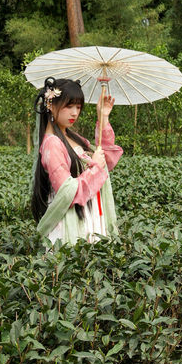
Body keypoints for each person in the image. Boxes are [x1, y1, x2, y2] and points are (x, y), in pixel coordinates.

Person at [31, 77, 123, 246]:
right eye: (69, 106)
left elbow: (106, 162)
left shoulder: (73, 137)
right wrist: (94, 168)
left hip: (90, 214)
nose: (75, 112)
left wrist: (103, 117)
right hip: (72, 220)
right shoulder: (52, 143)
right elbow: (67, 191)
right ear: (50, 105)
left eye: (78, 107)